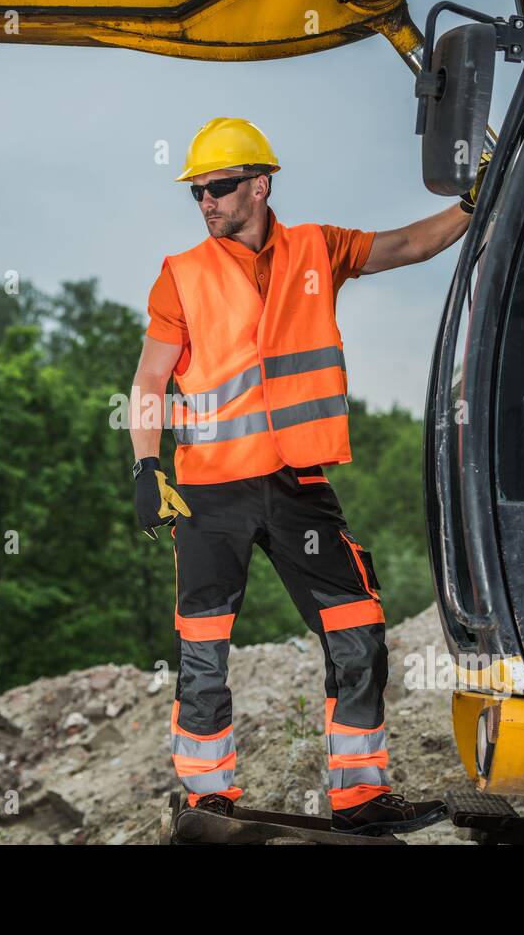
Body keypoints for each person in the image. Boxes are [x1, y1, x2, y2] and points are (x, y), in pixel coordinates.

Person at [128, 116, 485, 834]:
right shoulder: (181, 275)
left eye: (220, 187)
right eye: (197, 190)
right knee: (203, 647)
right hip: (208, 493)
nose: (206, 201)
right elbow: (149, 378)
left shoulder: (318, 247)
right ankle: (208, 803)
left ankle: (360, 796)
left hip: (297, 484)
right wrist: (144, 464)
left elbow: (411, 244)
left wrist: (474, 205)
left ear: (260, 184)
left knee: (358, 631)